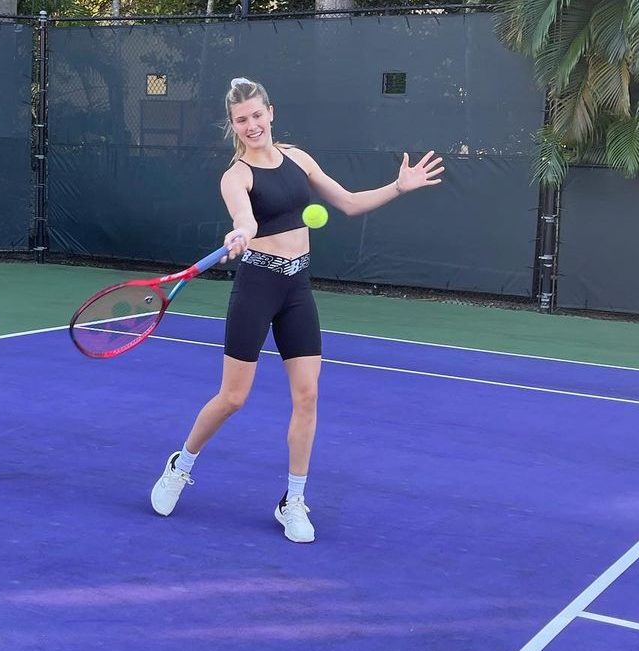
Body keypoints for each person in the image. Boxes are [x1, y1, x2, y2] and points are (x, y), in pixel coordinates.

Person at [150, 77, 445, 543]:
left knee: (307, 397)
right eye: (241, 119)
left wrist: (399, 186)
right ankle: (180, 463)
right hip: (257, 285)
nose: (251, 125)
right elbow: (243, 216)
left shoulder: (299, 159)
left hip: (297, 289)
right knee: (233, 398)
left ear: (271, 112)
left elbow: (348, 203)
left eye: (257, 115)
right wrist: (240, 231)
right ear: (232, 124)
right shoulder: (236, 176)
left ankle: (293, 499)